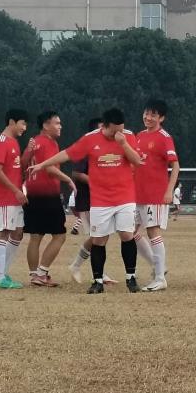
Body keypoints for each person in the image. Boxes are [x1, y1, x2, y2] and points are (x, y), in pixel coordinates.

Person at [30, 108, 143, 294]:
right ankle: (97, 281)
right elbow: (67, 153)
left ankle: (131, 278)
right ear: (105, 126)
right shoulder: (90, 139)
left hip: (125, 197)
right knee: (98, 239)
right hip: (100, 199)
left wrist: (123, 144)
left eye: (121, 129)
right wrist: (43, 164)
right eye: (115, 130)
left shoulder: (128, 136)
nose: (119, 133)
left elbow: (137, 161)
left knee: (126, 235)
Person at [21, 111, 77, 287]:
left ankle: (34, 275)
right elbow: (49, 168)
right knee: (59, 235)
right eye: (57, 123)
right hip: (47, 194)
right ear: (46, 125)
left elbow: (23, 164)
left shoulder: (34, 142)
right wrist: (68, 180)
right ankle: (42, 273)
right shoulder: (49, 142)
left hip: (32, 193)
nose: (60, 126)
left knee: (35, 236)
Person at [131, 99, 180, 292]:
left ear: (161, 118)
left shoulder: (164, 137)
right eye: (146, 113)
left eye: (153, 114)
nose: (148, 117)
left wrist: (169, 190)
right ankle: (157, 265)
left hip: (155, 194)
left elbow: (175, 165)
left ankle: (160, 278)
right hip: (137, 194)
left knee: (153, 231)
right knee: (130, 232)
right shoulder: (139, 136)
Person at [66, 118, 114, 285]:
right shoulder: (86, 149)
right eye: (102, 128)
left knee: (102, 235)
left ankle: (97, 270)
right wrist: (98, 181)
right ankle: (77, 266)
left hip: (101, 198)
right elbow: (77, 173)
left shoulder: (104, 149)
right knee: (98, 236)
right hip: (88, 200)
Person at [0, 109, 29, 289]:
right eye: (23, 123)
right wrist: (15, 190)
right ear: (12, 122)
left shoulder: (14, 142)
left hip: (14, 196)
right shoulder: (2, 141)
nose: (24, 128)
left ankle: (3, 273)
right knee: (3, 233)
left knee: (18, 232)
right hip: (4, 196)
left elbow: (15, 169)